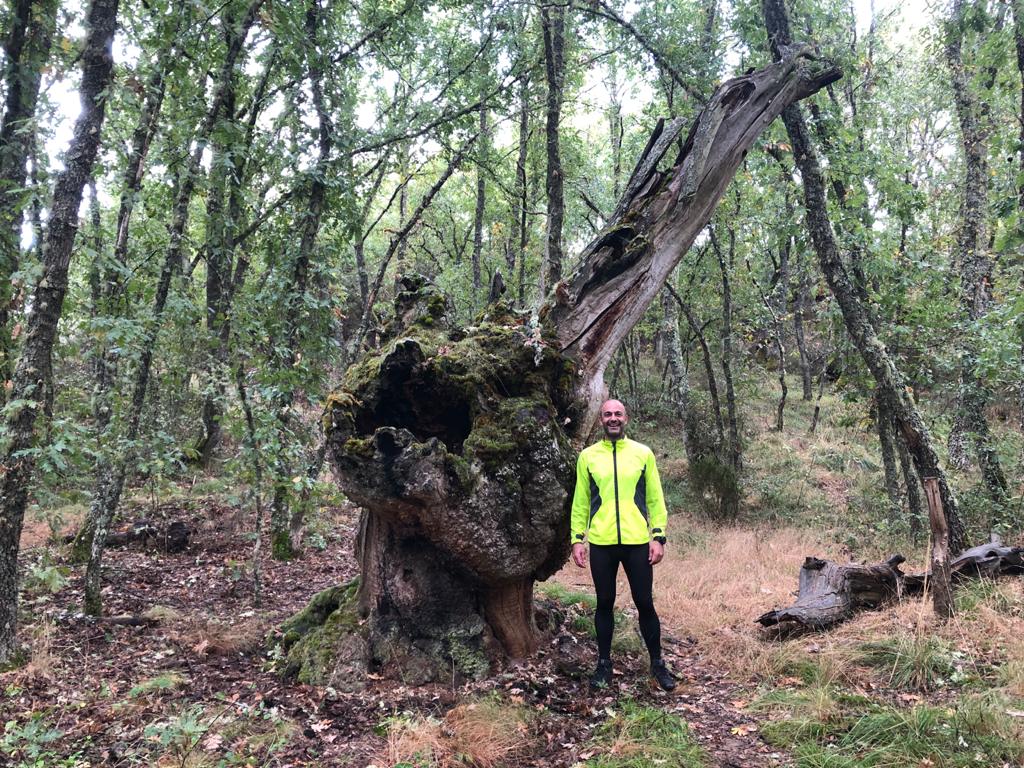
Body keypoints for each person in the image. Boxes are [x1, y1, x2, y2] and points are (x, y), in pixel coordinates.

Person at [570, 398, 676, 692]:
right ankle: (604, 665)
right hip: (602, 542)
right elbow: (580, 502)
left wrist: (658, 536)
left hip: (637, 542)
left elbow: (655, 498)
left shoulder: (642, 454)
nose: (612, 418)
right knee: (604, 603)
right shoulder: (588, 457)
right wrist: (577, 538)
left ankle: (657, 664)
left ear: (625, 418)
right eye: (607, 414)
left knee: (645, 603)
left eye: (617, 414)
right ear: (601, 420)